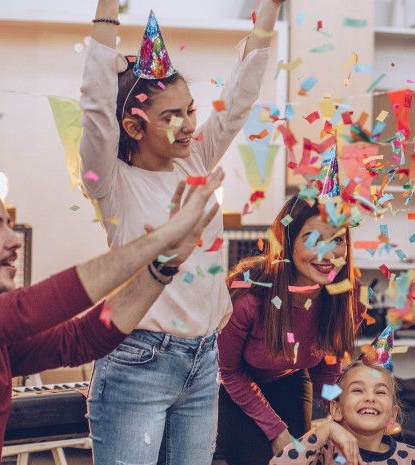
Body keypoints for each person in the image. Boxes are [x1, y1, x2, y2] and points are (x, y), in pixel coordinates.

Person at [0, 169, 222, 465]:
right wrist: (158, 239)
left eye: (7, 225)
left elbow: (81, 339)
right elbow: (25, 311)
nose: (13, 240)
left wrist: (162, 265)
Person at [79, 1, 284, 462]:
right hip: (138, 360)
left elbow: (238, 100)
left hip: (203, 359)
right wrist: (107, 10)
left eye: (191, 110)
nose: (191, 124)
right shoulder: (109, 180)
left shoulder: (193, 160)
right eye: (173, 115)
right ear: (133, 125)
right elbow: (95, 106)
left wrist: (269, 9)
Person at [216, 194, 364, 465]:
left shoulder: (346, 296)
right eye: (313, 239)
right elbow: (229, 372)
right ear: (287, 242)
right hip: (236, 387)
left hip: (291, 380)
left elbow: (327, 368)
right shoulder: (247, 300)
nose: (328, 254)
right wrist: (276, 431)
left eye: (337, 239)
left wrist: (342, 413)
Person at [270, 361, 415, 465]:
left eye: (380, 392)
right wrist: (327, 429)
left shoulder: (410, 456)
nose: (370, 398)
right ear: (336, 409)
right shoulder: (324, 451)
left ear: (392, 414)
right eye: (357, 390)